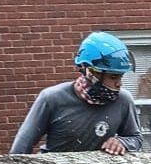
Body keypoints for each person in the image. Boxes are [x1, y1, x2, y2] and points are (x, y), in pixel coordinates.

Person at [10, 31, 143, 155]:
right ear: (91, 72)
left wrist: (122, 142)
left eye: (121, 77)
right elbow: (20, 149)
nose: (119, 83)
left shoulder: (123, 100)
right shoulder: (52, 98)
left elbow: (136, 138)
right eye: (113, 77)